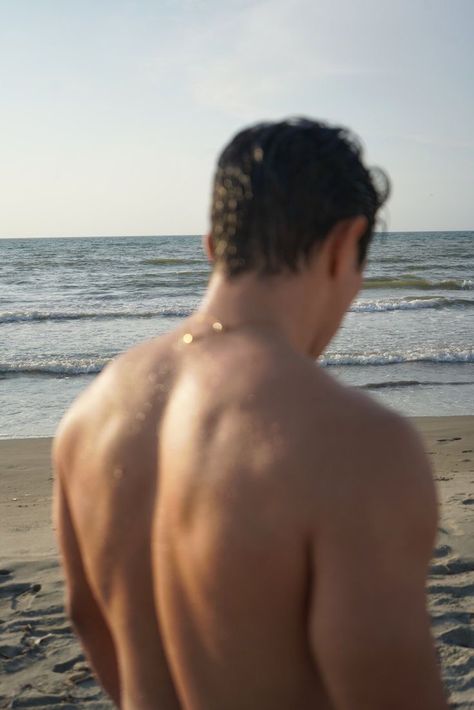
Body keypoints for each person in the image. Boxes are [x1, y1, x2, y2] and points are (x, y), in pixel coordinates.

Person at [53, 118, 448, 709]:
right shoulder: (359, 444)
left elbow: (86, 616)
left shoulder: (86, 420)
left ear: (214, 246)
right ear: (345, 245)